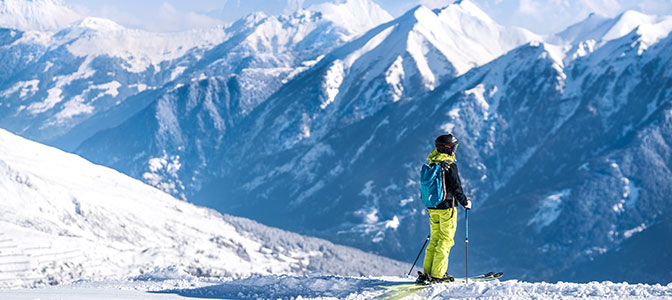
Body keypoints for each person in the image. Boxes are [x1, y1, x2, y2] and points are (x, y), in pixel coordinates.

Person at [416, 134, 472, 284]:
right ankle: (437, 274)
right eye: (455, 147)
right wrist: (465, 202)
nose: (455, 151)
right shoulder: (449, 165)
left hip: (432, 207)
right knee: (445, 240)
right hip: (447, 209)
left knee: (434, 239)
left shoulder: (432, 163)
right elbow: (456, 187)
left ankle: (427, 272)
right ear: (449, 148)